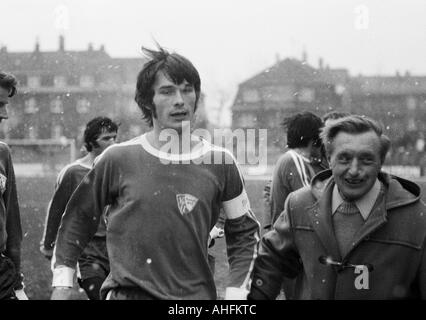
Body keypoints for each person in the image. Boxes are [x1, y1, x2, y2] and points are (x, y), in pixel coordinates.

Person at [50, 46, 260, 300]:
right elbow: (77, 220)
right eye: (167, 91)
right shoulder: (117, 159)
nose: (180, 100)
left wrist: (237, 293)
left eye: (187, 89)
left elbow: (245, 232)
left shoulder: (221, 162)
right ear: (147, 101)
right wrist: (62, 284)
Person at [249, 115, 426, 299]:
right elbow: (271, 260)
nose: (354, 170)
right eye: (344, 158)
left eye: (366, 159)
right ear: (328, 158)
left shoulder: (417, 219)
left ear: (380, 162)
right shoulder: (299, 205)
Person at [40, 117, 118, 299]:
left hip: (115, 251)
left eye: (115, 137)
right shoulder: (73, 173)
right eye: (107, 138)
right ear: (91, 142)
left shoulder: (117, 170)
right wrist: (49, 245)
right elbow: (57, 211)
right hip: (87, 254)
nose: (113, 143)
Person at [266, 111, 323, 230]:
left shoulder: (296, 159)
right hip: (289, 235)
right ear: (314, 140)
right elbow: (312, 203)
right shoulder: (294, 160)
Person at [0, 71, 27, 300]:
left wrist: (16, 278)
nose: (5, 114)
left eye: (6, 105)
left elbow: (12, 223)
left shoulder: (2, 153)